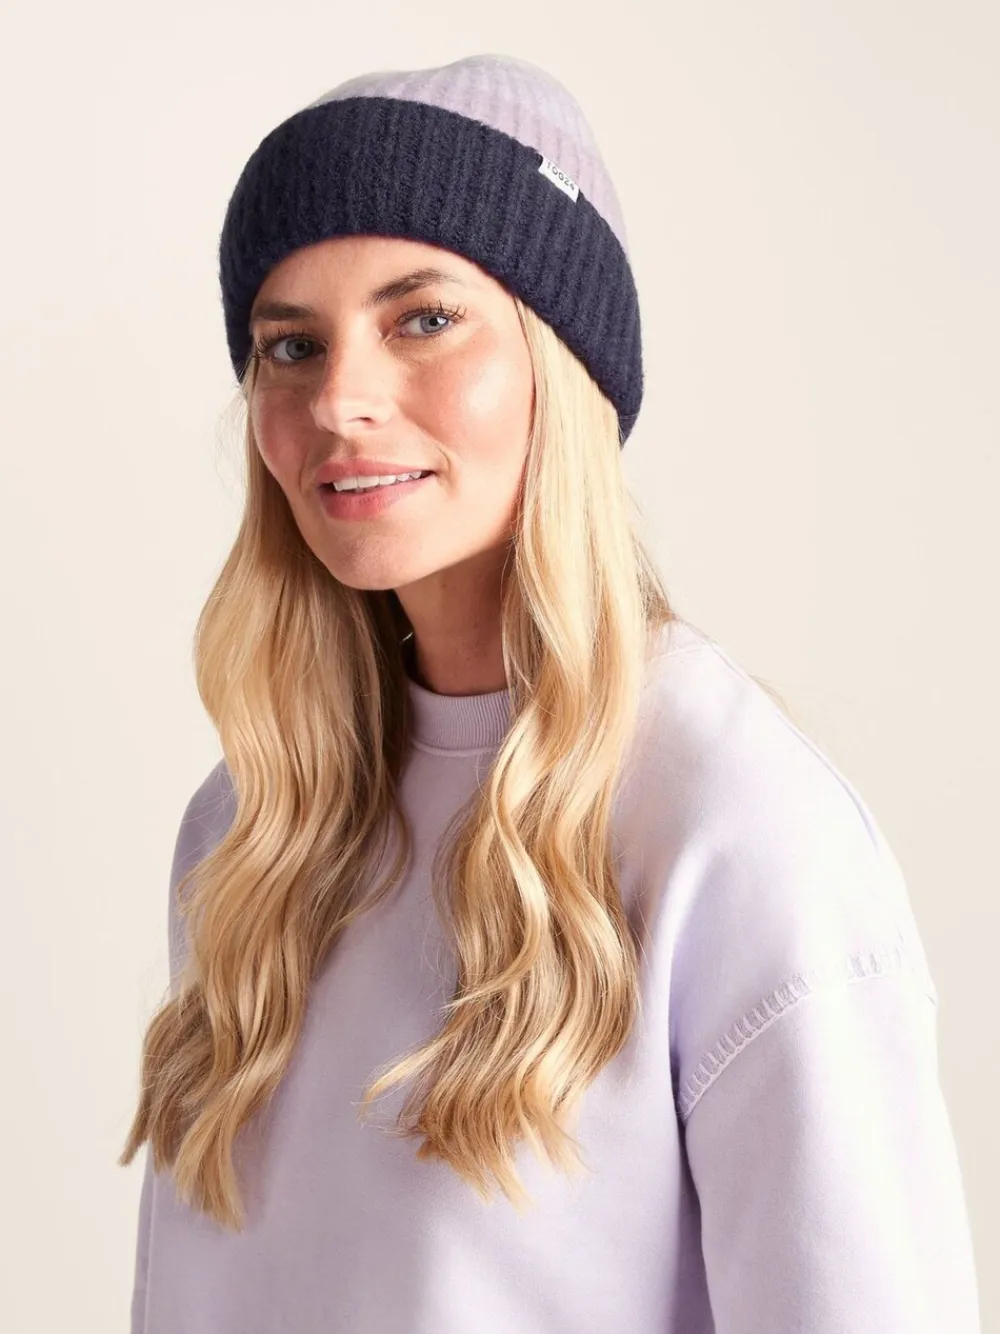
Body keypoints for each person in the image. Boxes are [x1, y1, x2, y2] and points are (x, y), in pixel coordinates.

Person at [119, 52, 981, 1334]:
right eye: (290, 345)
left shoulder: (732, 828)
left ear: (558, 359)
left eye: (422, 319)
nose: (339, 400)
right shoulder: (251, 826)